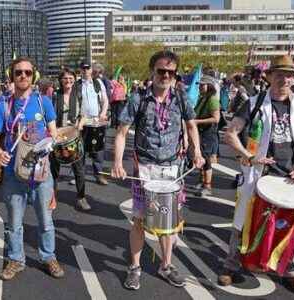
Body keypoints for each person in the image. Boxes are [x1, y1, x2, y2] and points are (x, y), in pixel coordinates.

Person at [219, 55, 294, 294]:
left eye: (288, 75)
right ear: (268, 77)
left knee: (292, 224)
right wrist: (249, 155)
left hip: (291, 176)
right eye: (279, 74)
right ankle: (230, 266)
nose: (284, 79)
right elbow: (231, 133)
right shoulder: (254, 103)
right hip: (259, 174)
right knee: (243, 220)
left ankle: (291, 272)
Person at [111, 50, 205, 290]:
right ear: (152, 72)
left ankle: (166, 265)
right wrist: (117, 162)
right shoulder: (138, 99)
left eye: (170, 72)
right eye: (161, 71)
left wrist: (197, 152)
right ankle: (134, 268)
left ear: (175, 75)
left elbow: (192, 127)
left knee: (169, 221)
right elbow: (121, 133)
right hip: (145, 169)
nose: (165, 75)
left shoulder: (181, 98)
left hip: (173, 168)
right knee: (140, 221)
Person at [0, 57, 64, 281]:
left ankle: (48, 257)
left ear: (34, 76)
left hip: (41, 173)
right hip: (13, 174)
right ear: (12, 76)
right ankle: (16, 259)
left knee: (46, 221)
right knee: (13, 223)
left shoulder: (44, 102)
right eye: (18, 72)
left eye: (27, 73)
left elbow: (54, 132)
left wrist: (55, 141)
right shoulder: (4, 104)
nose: (23, 76)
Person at [50, 68, 89, 210]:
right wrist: (54, 132)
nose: (68, 81)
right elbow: (49, 115)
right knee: (53, 168)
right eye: (65, 78)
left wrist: (79, 125)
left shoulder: (78, 94)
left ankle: (81, 197)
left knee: (78, 169)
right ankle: (52, 195)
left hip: (74, 135)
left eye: (71, 78)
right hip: (57, 135)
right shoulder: (55, 95)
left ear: (74, 79)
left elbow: (84, 114)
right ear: (60, 80)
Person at [70, 61, 110, 185]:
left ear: (91, 70)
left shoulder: (98, 83)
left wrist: (103, 113)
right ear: (80, 70)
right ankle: (78, 175)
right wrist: (75, 120)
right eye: (83, 68)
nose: (86, 70)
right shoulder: (76, 85)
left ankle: (99, 175)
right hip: (81, 122)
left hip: (96, 120)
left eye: (88, 68)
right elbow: (73, 102)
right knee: (80, 151)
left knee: (98, 151)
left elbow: (105, 100)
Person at [194, 75, 221, 196]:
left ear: (209, 86)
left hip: (208, 133)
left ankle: (207, 186)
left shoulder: (212, 99)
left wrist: (197, 122)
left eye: (202, 85)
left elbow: (216, 119)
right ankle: (202, 181)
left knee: (206, 159)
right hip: (201, 132)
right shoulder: (203, 98)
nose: (199, 87)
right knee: (200, 157)